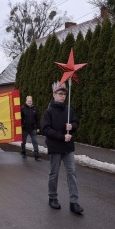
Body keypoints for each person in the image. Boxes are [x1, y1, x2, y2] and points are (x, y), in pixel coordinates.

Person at [41, 83, 83, 214]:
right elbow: (46, 129)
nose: (63, 96)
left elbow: (75, 122)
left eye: (64, 94)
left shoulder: (69, 110)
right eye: (60, 94)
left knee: (72, 173)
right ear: (54, 95)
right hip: (55, 147)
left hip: (68, 147)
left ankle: (74, 202)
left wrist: (73, 126)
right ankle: (52, 197)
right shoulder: (49, 111)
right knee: (54, 174)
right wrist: (61, 137)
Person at [21, 95, 41, 160]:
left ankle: (36, 154)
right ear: (26, 101)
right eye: (28, 101)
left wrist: (38, 127)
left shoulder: (35, 109)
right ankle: (23, 152)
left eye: (31, 101)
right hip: (24, 128)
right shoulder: (22, 109)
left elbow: (37, 119)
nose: (30, 102)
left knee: (35, 141)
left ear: (32, 102)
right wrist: (20, 125)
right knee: (23, 141)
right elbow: (19, 118)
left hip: (33, 128)